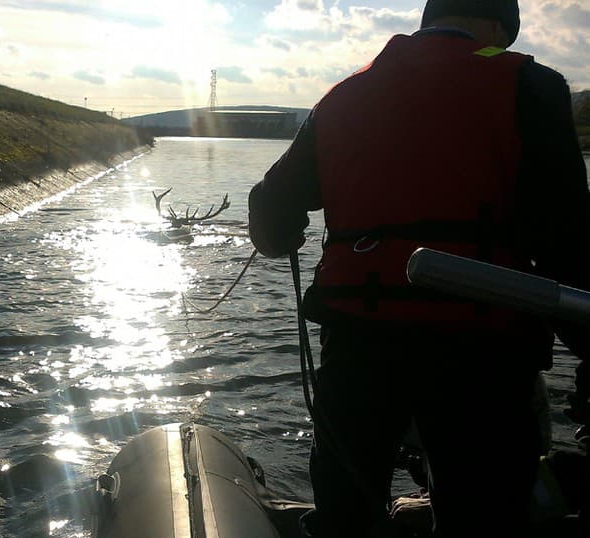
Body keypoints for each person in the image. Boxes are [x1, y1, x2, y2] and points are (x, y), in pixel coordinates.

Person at [247, 0, 590, 536]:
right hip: (482, 349)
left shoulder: (342, 96)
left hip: (359, 342)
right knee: (483, 515)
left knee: (346, 515)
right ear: (497, 28)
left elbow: (269, 213)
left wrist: (285, 233)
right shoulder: (531, 85)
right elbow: (568, 243)